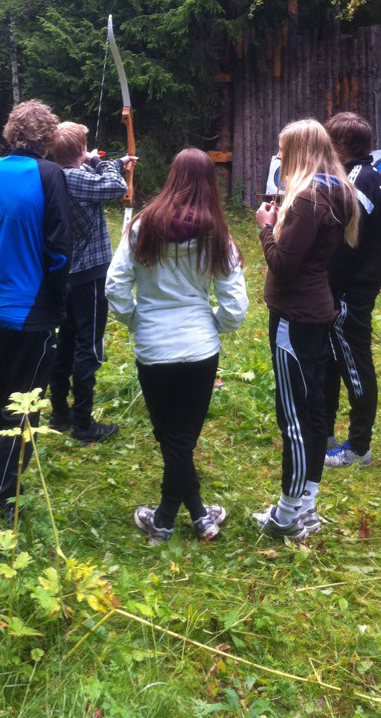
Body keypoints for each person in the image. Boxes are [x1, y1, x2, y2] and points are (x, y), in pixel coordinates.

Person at [106, 148, 248, 545]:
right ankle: (198, 516)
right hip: (199, 350)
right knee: (179, 437)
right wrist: (213, 327)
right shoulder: (217, 236)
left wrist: (137, 321)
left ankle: (166, 519)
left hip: (154, 348)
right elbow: (235, 305)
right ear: (210, 183)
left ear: (171, 175)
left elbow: (115, 287)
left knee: (171, 436)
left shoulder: (141, 227)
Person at [0, 101, 71, 524]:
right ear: (49, 138)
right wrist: (58, 302)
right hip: (32, 312)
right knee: (23, 410)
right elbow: (59, 250)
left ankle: (5, 495)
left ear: (11, 133)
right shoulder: (50, 175)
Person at [254, 119, 358, 541]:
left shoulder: (309, 200)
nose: (279, 157)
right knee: (314, 411)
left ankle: (286, 516)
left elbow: (283, 264)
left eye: (283, 150)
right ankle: (307, 505)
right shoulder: (337, 189)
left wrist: (265, 225)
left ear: (298, 150)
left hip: (295, 318)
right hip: (316, 313)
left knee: (293, 417)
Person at [48, 122, 136, 443]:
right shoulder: (77, 177)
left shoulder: (54, 176)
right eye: (85, 146)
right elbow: (115, 188)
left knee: (68, 339)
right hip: (90, 276)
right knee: (89, 345)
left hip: (66, 275)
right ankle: (83, 424)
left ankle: (59, 412)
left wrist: (110, 163)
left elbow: (100, 180)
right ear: (80, 151)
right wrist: (102, 163)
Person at [323, 112, 381, 468]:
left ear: (342, 146)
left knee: (354, 362)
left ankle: (358, 447)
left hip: (350, 290)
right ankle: (328, 435)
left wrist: (331, 293)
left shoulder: (358, 180)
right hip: (352, 286)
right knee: (336, 357)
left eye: (329, 142)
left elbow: (346, 245)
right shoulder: (367, 175)